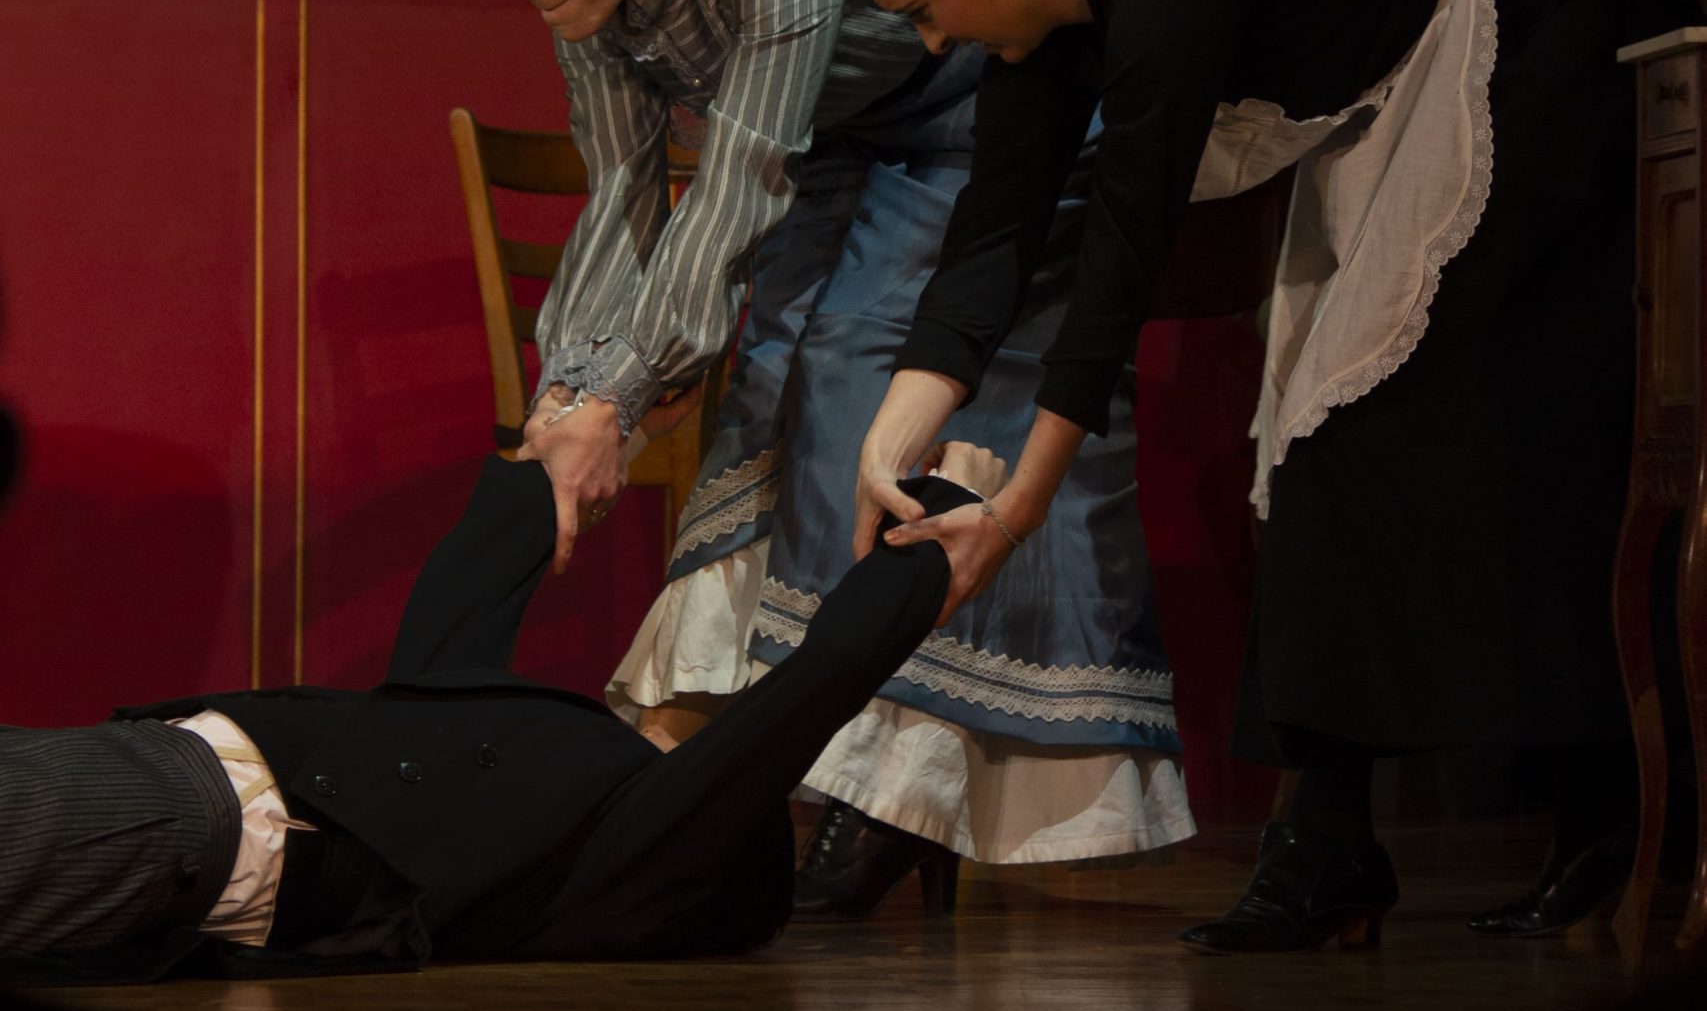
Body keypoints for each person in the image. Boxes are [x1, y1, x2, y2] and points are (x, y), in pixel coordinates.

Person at [807, 0, 1699, 953]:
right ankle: (1331, 841)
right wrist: (891, 434)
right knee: (1332, 426)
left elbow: (1122, 261)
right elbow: (994, 231)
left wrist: (1014, 512)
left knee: (1474, 413)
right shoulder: (1045, 24)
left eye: (926, 11)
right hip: (1410, 57)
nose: (931, 43)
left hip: (1548, 9)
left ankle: (1601, 810)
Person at [389, 0, 1192, 918]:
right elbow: (622, 190)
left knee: (866, 371)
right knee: (772, 383)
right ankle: (737, 762)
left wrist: (617, 394)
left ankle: (893, 788)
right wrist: (576, 394)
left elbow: (742, 173)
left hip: (979, 94)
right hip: (842, 132)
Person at [0, 412, 1005, 980]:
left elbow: (805, 696)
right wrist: (541, 473)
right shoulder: (513, 773)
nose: (672, 719)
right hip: (154, 774)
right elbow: (457, 620)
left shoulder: (633, 852)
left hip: (186, 820)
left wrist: (933, 536)